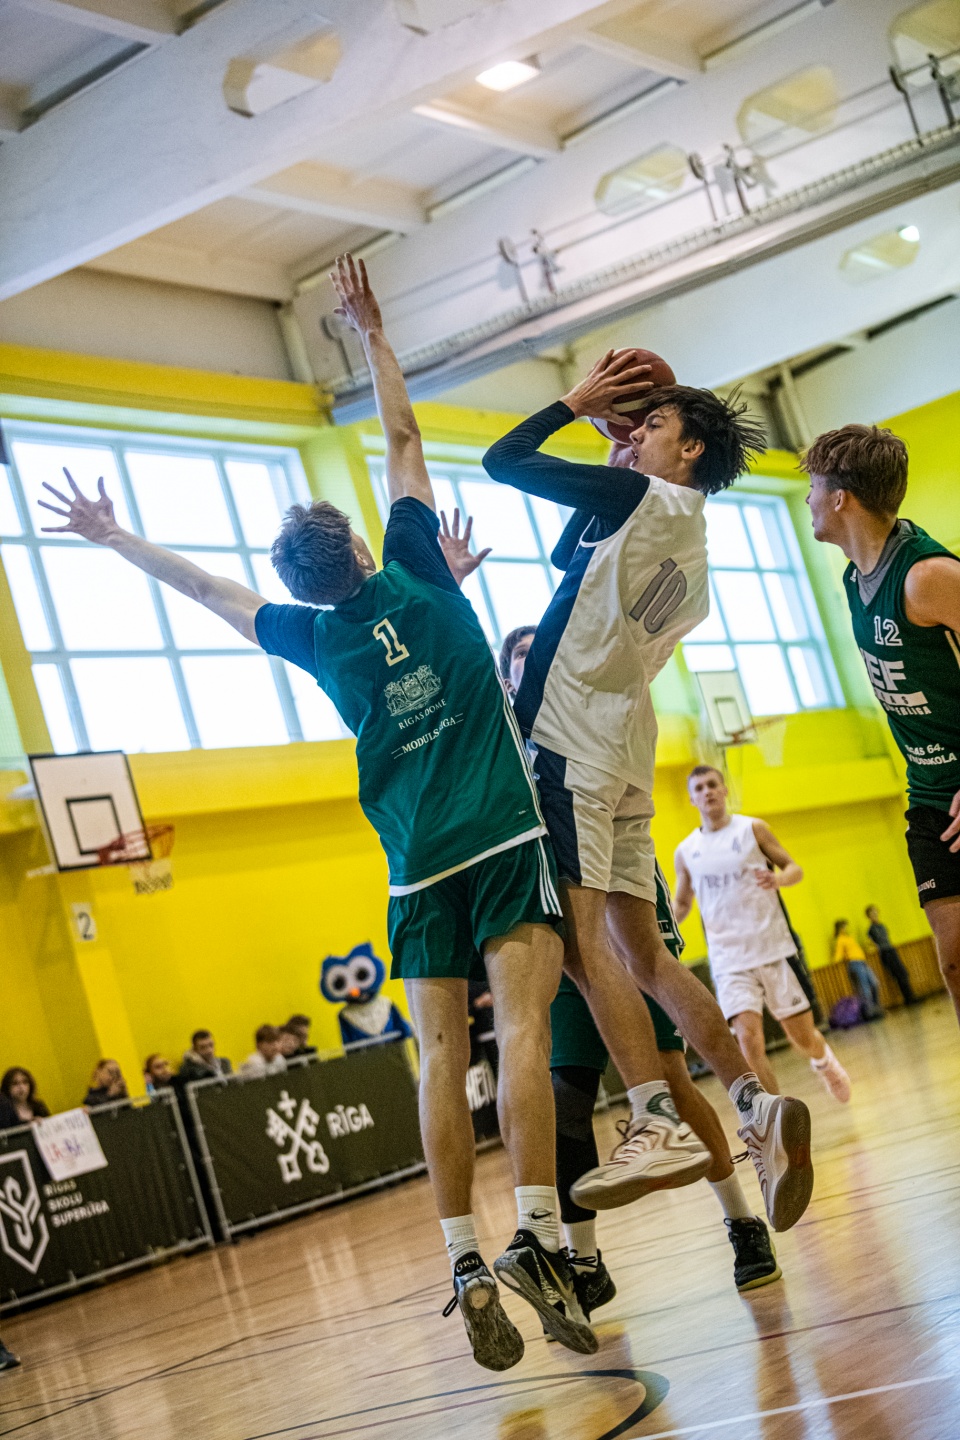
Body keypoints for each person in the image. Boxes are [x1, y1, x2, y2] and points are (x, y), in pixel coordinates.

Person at [36, 255, 596, 1371]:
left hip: (414, 866)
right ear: (363, 546)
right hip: (500, 835)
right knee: (526, 1031)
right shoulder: (423, 570)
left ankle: (460, 1257)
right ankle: (538, 1236)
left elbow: (206, 590)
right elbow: (401, 435)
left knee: (441, 1058)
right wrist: (371, 333)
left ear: (300, 586)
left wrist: (113, 539)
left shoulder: (310, 636)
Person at [485, 389, 814, 1234]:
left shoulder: (640, 496)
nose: (634, 434)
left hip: (568, 744)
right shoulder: (690, 537)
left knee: (580, 947)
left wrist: (571, 404)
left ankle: (654, 1117)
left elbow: (502, 460)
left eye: (653, 426)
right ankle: (755, 1102)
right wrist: (615, 456)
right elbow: (569, 556)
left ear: (692, 447)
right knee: (647, 958)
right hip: (627, 752)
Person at [499, 627, 780, 1298]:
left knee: (670, 1078)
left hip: (618, 909)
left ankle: (742, 1219)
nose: (537, 663)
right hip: (557, 927)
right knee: (565, 1098)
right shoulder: (504, 737)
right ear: (507, 678)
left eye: (542, 652)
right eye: (522, 658)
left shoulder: (582, 708)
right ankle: (585, 1263)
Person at [802, 424, 960, 1024]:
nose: (809, 499)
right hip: (930, 795)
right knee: (953, 961)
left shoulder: (927, 575)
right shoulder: (852, 579)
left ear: (841, 498)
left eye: (814, 486)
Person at [675, 767, 852, 1101]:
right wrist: (660, 928)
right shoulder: (686, 850)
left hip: (772, 948)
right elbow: (682, 902)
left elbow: (794, 868)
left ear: (724, 790)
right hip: (728, 959)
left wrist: (779, 880)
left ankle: (823, 1061)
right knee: (748, 1040)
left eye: (712, 784)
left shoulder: (752, 829)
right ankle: (775, 1116)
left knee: (802, 1039)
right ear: (692, 798)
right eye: (699, 788)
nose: (707, 791)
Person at [865, 905, 917, 1006]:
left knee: (903, 973)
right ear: (868, 916)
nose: (875, 915)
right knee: (899, 974)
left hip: (891, 949)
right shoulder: (871, 929)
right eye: (872, 913)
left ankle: (910, 997)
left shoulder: (882, 926)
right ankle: (908, 999)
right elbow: (876, 941)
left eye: (875, 912)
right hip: (885, 952)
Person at [833, 921, 883, 1020]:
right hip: (854, 963)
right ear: (840, 929)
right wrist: (835, 961)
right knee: (864, 988)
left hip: (862, 961)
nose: (846, 929)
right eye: (844, 927)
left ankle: (876, 1007)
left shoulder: (850, 937)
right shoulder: (840, 940)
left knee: (874, 983)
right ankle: (869, 1012)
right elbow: (838, 955)